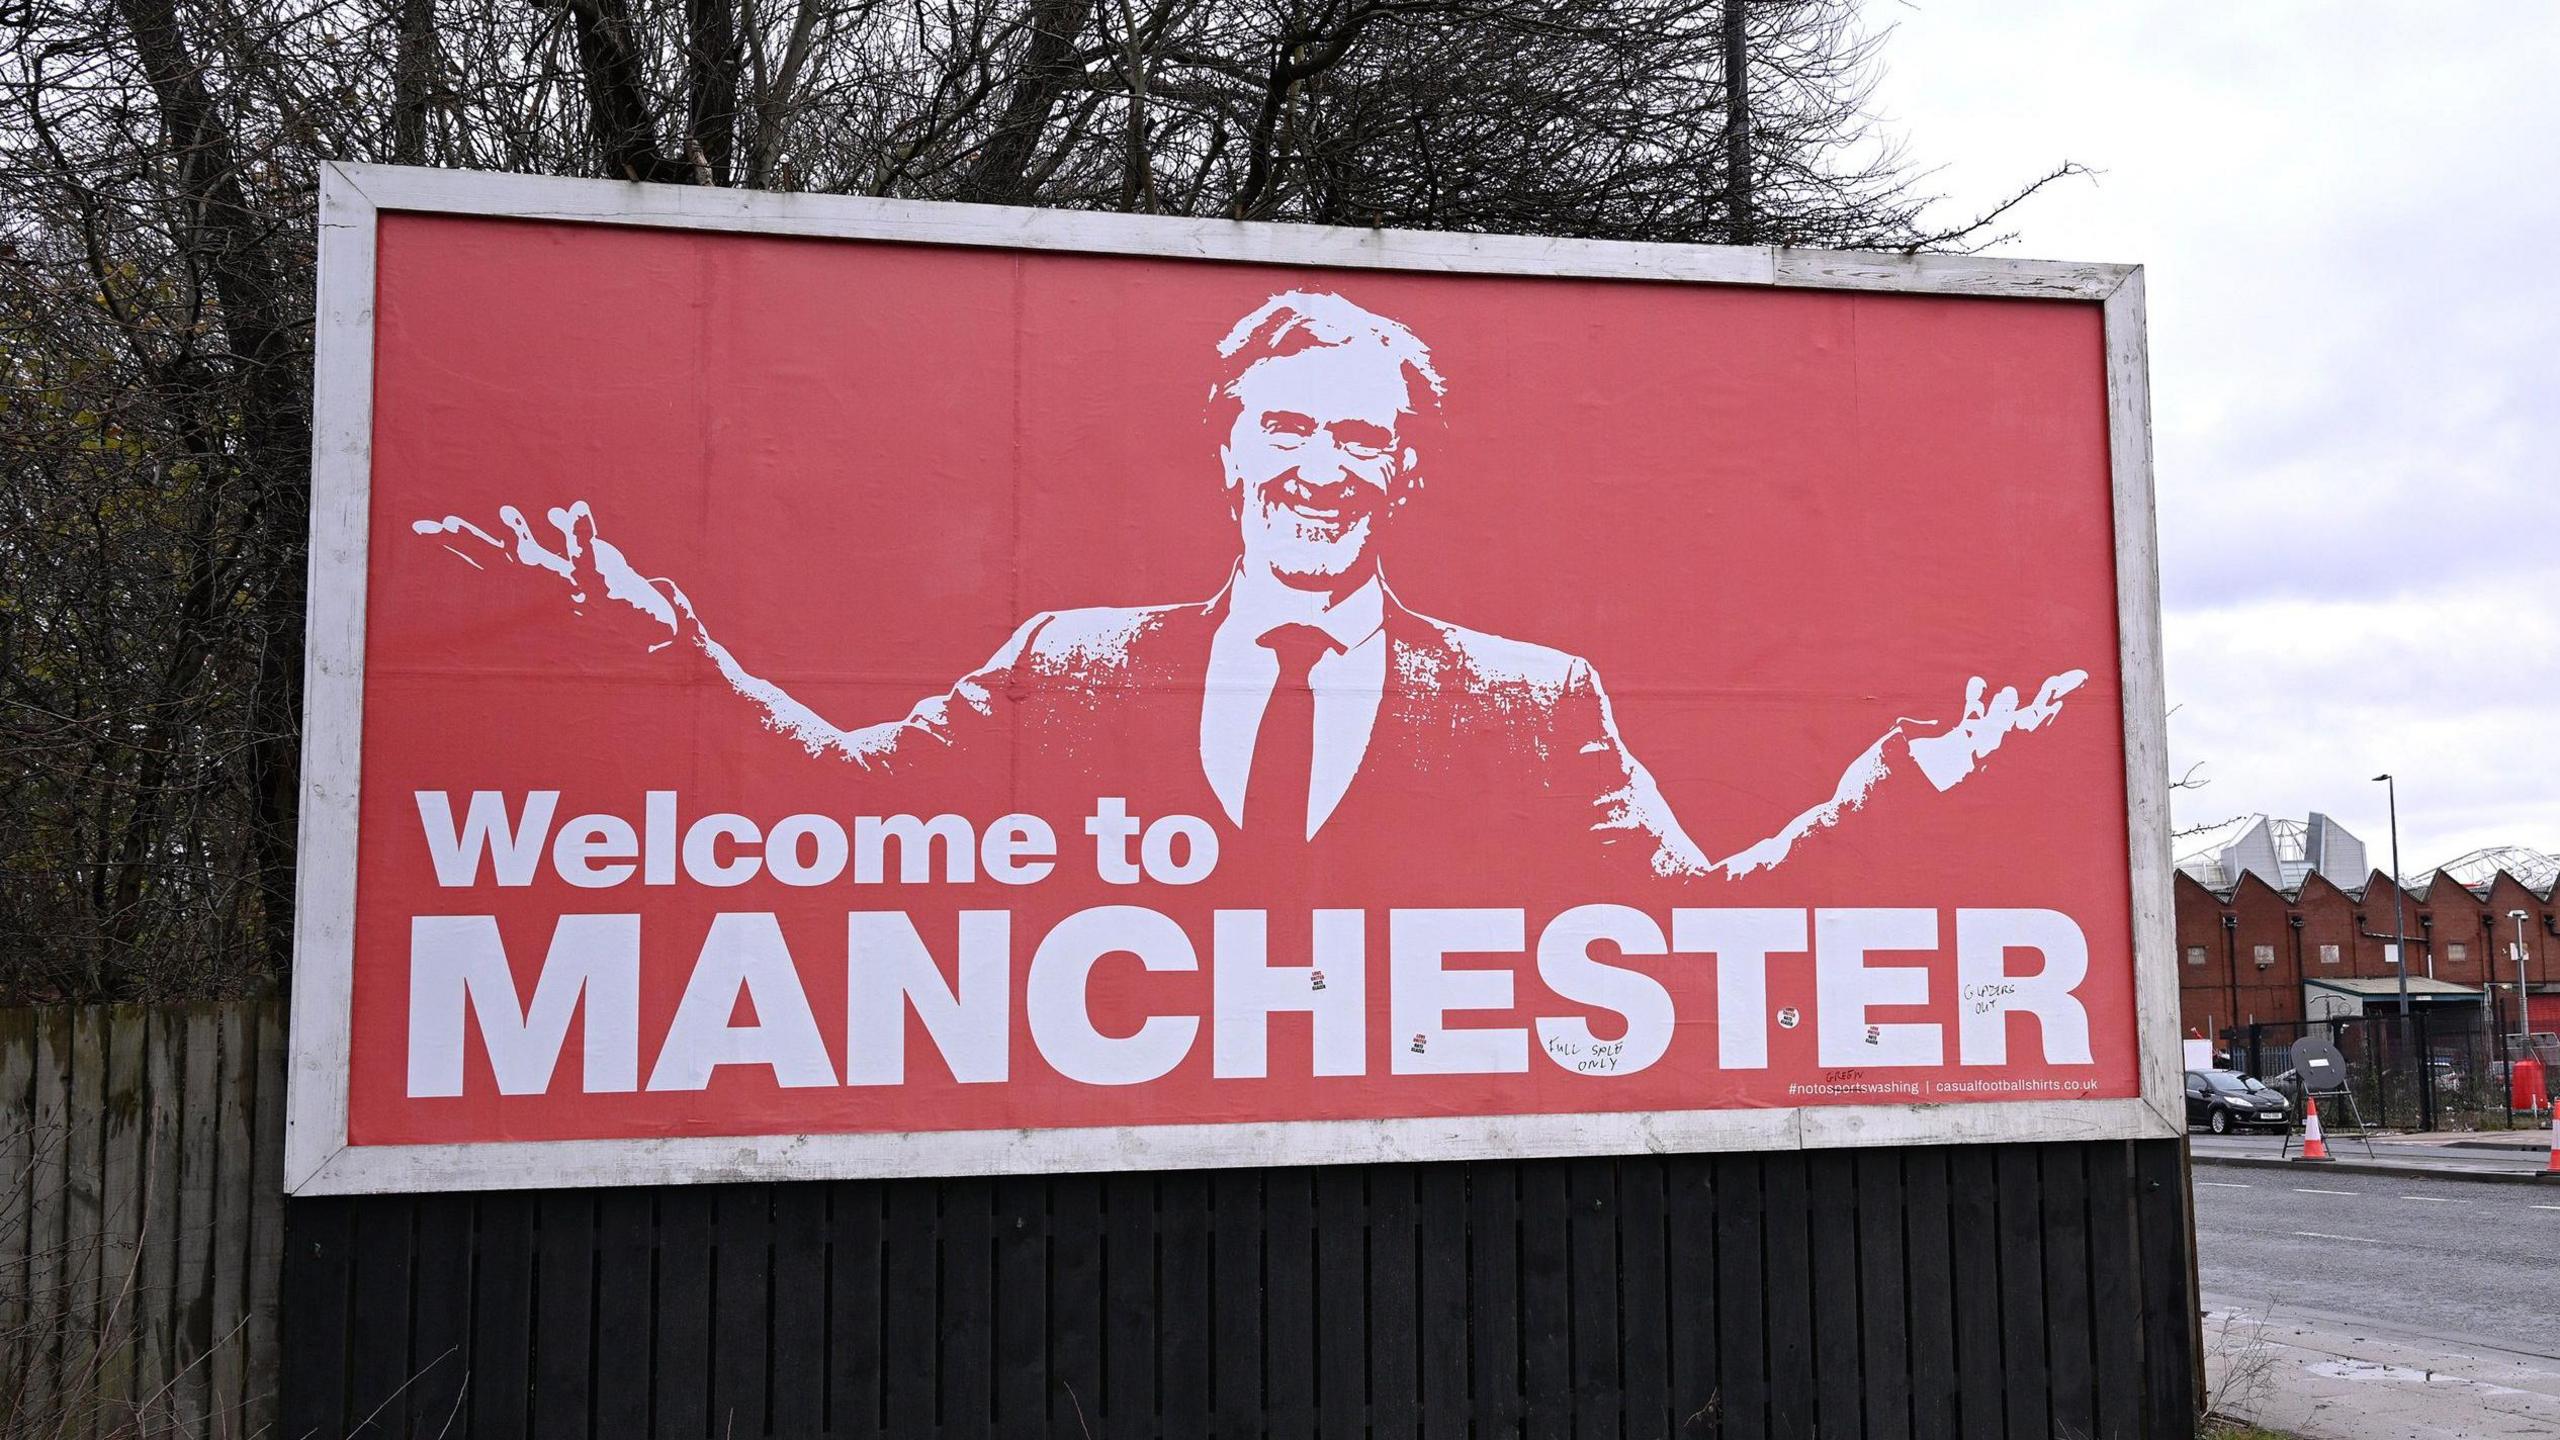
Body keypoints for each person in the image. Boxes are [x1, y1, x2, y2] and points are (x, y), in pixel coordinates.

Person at [419, 291, 2082, 881]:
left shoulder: (1533, 697)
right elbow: (847, 812)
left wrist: (1907, 782)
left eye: (1359, 438)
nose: (1317, 468)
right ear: (1228, 448)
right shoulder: (1070, 661)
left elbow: (1690, 920)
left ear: (1405, 473)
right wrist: (668, 647)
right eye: (1285, 427)